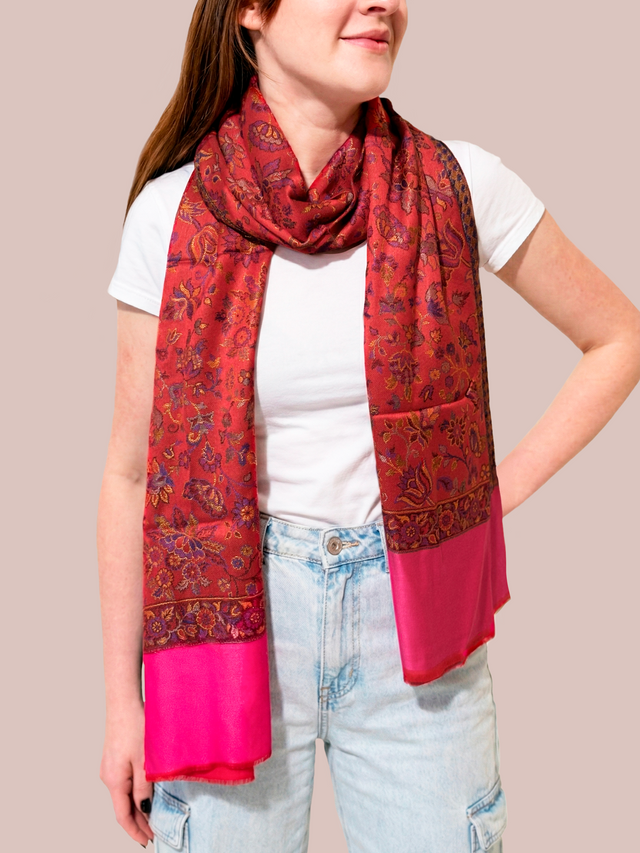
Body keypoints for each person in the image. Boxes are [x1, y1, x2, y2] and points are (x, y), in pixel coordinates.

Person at [97, 1, 640, 851]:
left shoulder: (458, 183)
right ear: (251, 11)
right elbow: (132, 473)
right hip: (230, 627)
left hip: (415, 624)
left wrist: (487, 494)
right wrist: (121, 704)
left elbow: (618, 337)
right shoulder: (171, 217)